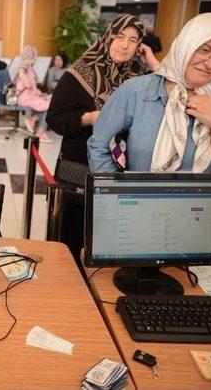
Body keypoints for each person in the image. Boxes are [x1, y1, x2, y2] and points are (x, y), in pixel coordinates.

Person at [46, 14, 159, 261]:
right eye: (120, 37)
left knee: (108, 242)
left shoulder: (142, 80)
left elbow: (170, 104)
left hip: (121, 175)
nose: (125, 45)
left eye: (133, 40)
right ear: (108, 37)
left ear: (139, 46)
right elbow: (54, 118)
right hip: (78, 171)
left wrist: (154, 64)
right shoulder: (79, 73)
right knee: (71, 241)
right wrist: (89, 118)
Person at [89, 13, 211, 188]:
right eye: (205, 50)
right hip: (136, 207)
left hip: (201, 212)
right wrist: (119, 195)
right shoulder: (135, 92)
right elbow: (100, 147)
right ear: (185, 46)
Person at [12, 45, 51, 142]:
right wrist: (23, 71)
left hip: (29, 95)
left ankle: (33, 120)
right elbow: (28, 84)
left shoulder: (27, 67)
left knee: (50, 101)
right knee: (49, 107)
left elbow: (32, 87)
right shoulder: (23, 67)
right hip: (24, 97)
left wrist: (40, 94)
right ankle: (40, 132)